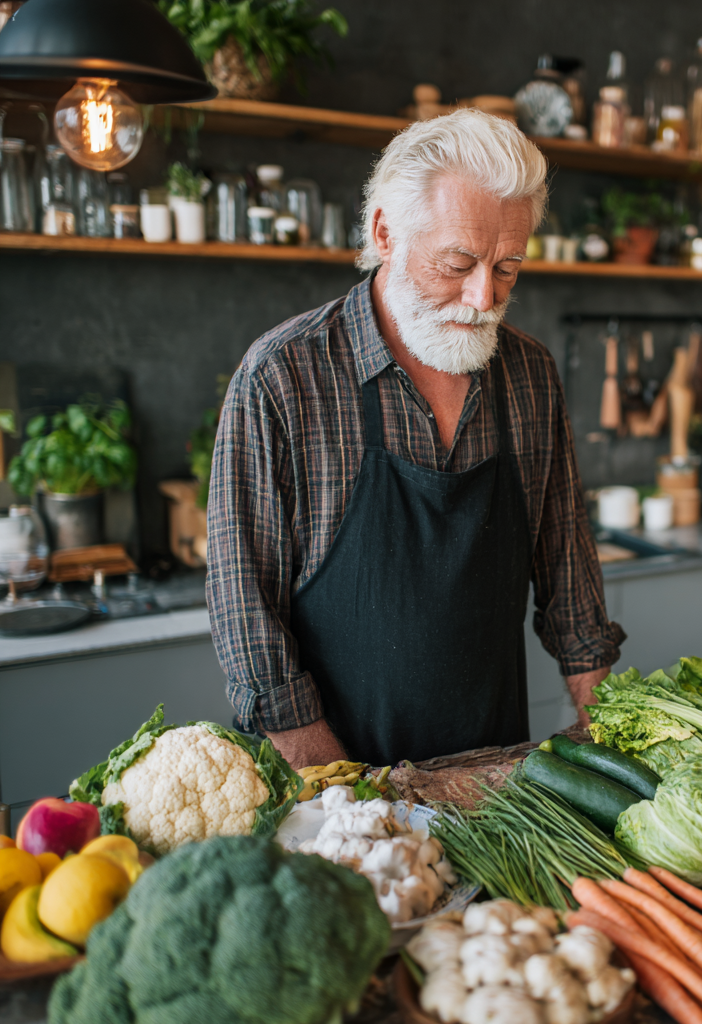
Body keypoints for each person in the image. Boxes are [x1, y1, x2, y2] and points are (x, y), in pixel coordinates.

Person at [206, 108, 625, 769]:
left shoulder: (530, 374)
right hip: (333, 783)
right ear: (385, 233)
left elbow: (568, 570)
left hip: (493, 781)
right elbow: (245, 612)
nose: (483, 296)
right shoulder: (284, 376)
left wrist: (614, 734)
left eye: (508, 267)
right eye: (457, 263)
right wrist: (344, 792)